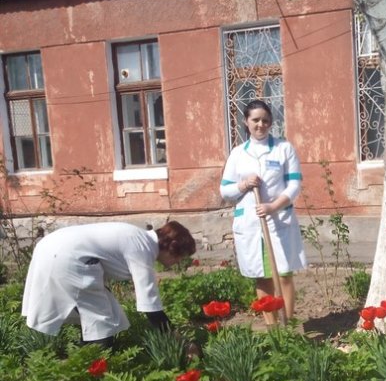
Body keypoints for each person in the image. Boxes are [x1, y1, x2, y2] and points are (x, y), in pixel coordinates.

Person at [22, 220, 197, 349]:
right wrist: (179, 340)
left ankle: (82, 357)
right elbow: (150, 306)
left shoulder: (138, 237)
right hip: (67, 256)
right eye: (180, 258)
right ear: (172, 249)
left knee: (100, 313)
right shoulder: (143, 248)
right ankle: (92, 370)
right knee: (102, 324)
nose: (177, 263)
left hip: (51, 247)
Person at [220, 99, 307, 322]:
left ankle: (288, 325)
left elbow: (294, 185)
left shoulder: (283, 149)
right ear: (246, 122)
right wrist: (243, 185)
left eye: (265, 120)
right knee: (261, 275)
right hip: (251, 223)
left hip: (279, 220)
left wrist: (273, 206)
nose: (261, 125)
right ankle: (272, 328)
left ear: (271, 122)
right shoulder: (238, 154)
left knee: (284, 274)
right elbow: (225, 191)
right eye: (256, 120)